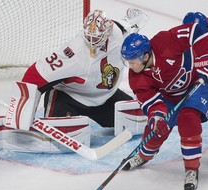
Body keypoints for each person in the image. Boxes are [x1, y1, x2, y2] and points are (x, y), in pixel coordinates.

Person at [120, 21, 208, 190]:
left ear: (145, 56)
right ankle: (143, 155)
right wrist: (157, 116)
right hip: (171, 95)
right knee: (156, 128)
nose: (130, 66)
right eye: (127, 62)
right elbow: (151, 102)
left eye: (133, 61)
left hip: (199, 84)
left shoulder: (165, 41)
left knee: (188, 118)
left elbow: (198, 29)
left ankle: (191, 169)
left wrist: (206, 62)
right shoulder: (136, 77)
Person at [18, 8, 148, 128]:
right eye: (89, 36)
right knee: (57, 140)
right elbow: (34, 75)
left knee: (143, 119)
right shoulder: (73, 52)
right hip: (69, 99)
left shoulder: (119, 32)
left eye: (96, 37)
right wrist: (21, 117)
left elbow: (137, 19)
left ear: (108, 31)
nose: (92, 42)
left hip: (105, 97)